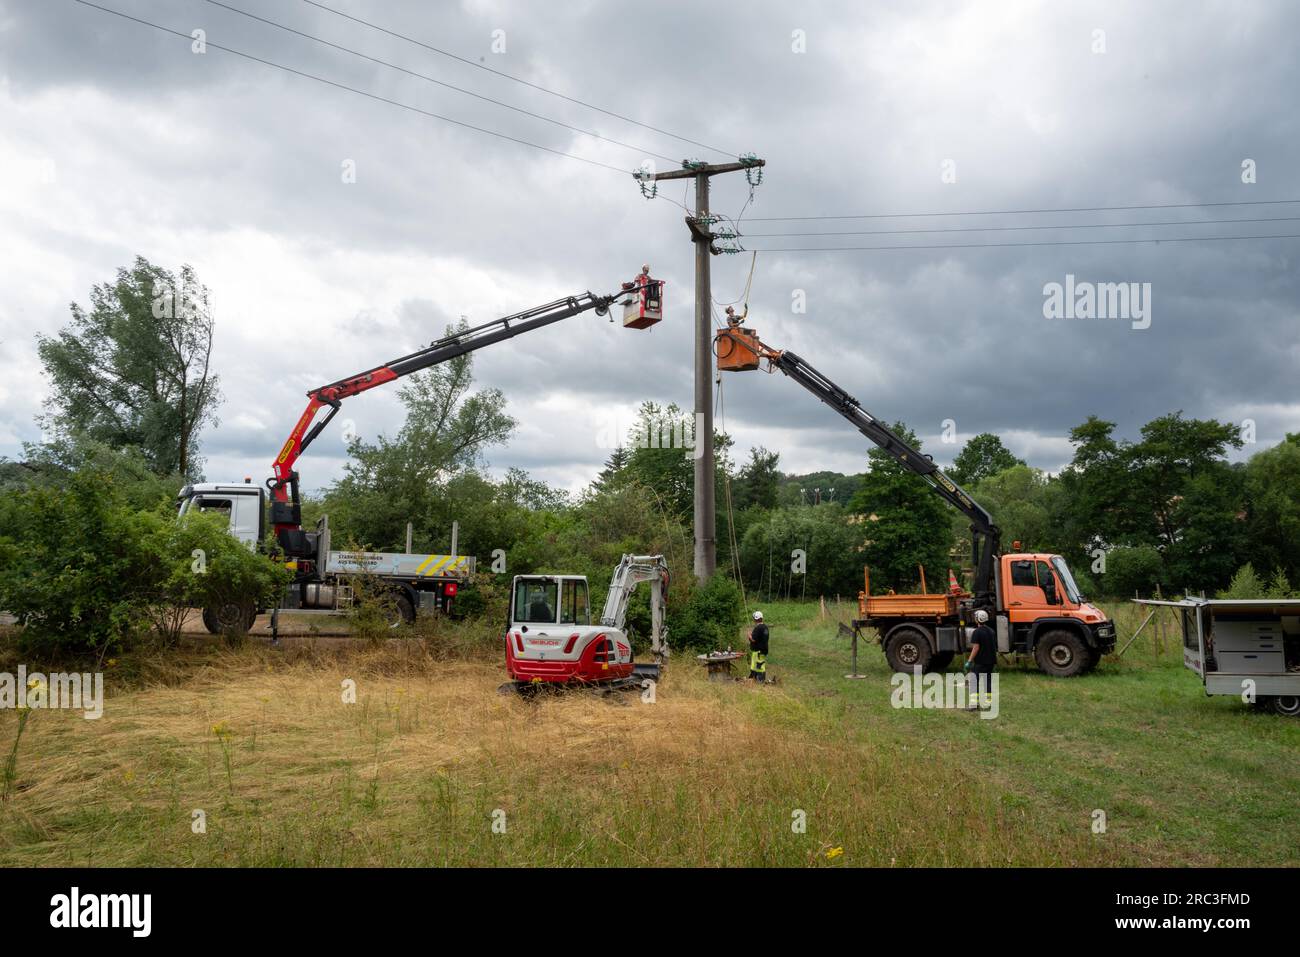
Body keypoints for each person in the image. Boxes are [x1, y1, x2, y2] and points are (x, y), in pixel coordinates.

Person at [964, 609, 997, 711]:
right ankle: (987, 704)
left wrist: (969, 661)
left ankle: (973, 705)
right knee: (987, 682)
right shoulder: (991, 631)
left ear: (977, 619)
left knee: (974, 681)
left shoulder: (977, 632)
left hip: (980, 662)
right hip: (990, 662)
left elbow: (976, 648)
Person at [747, 610, 770, 682]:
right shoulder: (765, 627)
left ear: (755, 619)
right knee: (754, 666)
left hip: (758, 651)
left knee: (759, 666)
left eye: (754, 618)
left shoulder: (758, 628)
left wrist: (749, 635)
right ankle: (753, 679)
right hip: (762, 650)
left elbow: (753, 640)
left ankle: (760, 680)